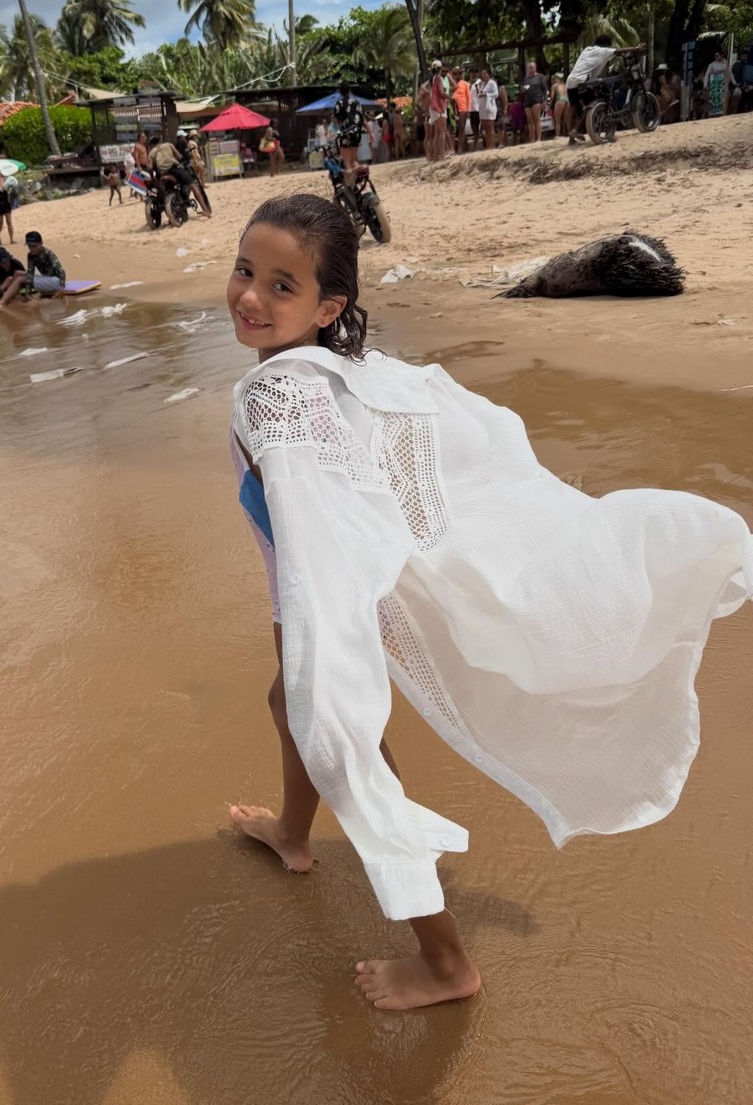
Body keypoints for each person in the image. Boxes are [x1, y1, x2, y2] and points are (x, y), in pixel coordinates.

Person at [225, 190, 753, 1012]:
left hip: (331, 599)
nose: (251, 297)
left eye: (281, 286)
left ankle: (444, 961)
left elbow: (320, 529)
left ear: (329, 306)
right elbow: (450, 419)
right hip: (310, 596)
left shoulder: (275, 397)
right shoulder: (337, 371)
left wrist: (326, 644)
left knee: (346, 745)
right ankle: (293, 836)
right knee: (286, 704)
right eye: (244, 270)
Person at [565, 36, 645, 143]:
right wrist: (636, 48)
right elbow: (619, 50)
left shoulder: (587, 50)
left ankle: (571, 138)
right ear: (606, 45)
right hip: (583, 80)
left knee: (573, 108)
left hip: (571, 80)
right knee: (594, 103)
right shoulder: (603, 50)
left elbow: (616, 54)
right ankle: (577, 130)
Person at [332, 84, 366, 186]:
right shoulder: (357, 102)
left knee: (347, 164)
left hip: (345, 133)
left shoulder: (339, 103)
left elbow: (335, 120)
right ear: (349, 91)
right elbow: (362, 118)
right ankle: (357, 183)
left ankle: (349, 187)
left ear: (340, 93)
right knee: (353, 159)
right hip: (356, 133)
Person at [23, 231, 65, 299]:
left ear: (41, 243)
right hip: (46, 277)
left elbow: (61, 271)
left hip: (56, 281)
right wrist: (28, 292)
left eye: (34, 246)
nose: (32, 249)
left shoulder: (48, 254)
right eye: (29, 246)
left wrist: (61, 288)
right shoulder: (30, 256)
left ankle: (2, 302)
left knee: (20, 279)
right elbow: (30, 272)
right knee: (19, 275)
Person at [519, 60, 549, 142]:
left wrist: (545, 100)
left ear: (535, 68)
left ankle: (538, 138)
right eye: (529, 68)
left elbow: (545, 89)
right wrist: (523, 90)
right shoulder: (526, 79)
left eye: (532, 68)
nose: (531, 69)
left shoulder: (540, 77)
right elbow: (521, 89)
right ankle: (532, 138)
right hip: (527, 101)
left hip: (537, 100)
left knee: (537, 119)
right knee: (529, 120)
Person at [426, 61, 449, 161]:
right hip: (439, 107)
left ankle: (435, 156)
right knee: (442, 132)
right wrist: (451, 98)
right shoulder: (438, 78)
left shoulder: (432, 79)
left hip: (433, 107)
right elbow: (442, 93)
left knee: (437, 133)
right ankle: (442, 155)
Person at [476, 67, 498, 149]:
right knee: (485, 127)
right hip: (482, 107)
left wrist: (486, 95)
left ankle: (492, 145)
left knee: (490, 126)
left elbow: (496, 94)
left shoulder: (492, 83)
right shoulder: (482, 84)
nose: (483, 75)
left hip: (489, 106)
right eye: (482, 74)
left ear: (489, 74)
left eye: (485, 74)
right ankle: (488, 144)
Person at [451, 68, 473, 154]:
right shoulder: (450, 84)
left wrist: (468, 110)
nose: (457, 75)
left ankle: (460, 149)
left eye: (459, 73)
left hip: (462, 109)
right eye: (455, 73)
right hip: (452, 109)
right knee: (451, 130)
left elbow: (469, 98)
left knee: (461, 129)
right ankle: (452, 148)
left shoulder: (465, 84)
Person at [703, 51, 728, 118]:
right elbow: (707, 75)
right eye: (715, 56)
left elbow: (729, 74)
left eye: (717, 55)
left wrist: (734, 83)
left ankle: (722, 111)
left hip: (722, 84)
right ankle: (713, 112)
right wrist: (705, 85)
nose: (716, 57)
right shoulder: (711, 65)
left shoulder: (726, 64)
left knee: (721, 98)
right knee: (714, 99)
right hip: (714, 84)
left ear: (721, 56)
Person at [550, 73, 569, 137]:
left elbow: (552, 97)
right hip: (567, 101)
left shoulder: (554, 86)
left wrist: (550, 105)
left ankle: (557, 135)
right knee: (567, 119)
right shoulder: (565, 85)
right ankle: (569, 133)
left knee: (557, 120)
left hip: (559, 101)